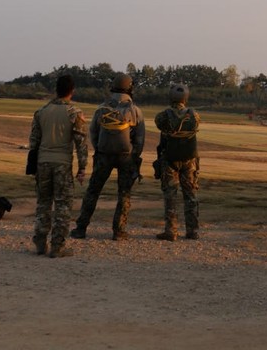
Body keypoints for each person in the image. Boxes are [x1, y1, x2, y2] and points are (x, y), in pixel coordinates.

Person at [70, 73, 145, 241]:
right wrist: (133, 155)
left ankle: (81, 228)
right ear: (130, 88)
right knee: (124, 194)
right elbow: (140, 140)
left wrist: (100, 150)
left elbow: (93, 133)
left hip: (104, 155)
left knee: (93, 191)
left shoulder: (101, 108)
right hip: (126, 156)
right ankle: (119, 231)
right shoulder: (136, 111)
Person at [28, 74, 87, 258]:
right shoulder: (74, 113)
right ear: (72, 91)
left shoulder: (41, 111)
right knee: (63, 205)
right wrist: (82, 167)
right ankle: (57, 246)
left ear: (56, 89)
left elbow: (33, 142)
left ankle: (39, 242)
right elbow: (81, 144)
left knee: (43, 203)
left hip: (42, 163)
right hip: (62, 164)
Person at [154, 82, 200, 241]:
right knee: (191, 195)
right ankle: (193, 231)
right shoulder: (194, 115)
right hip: (189, 159)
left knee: (170, 195)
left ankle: (171, 231)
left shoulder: (163, 116)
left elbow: (159, 124)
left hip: (170, 159)